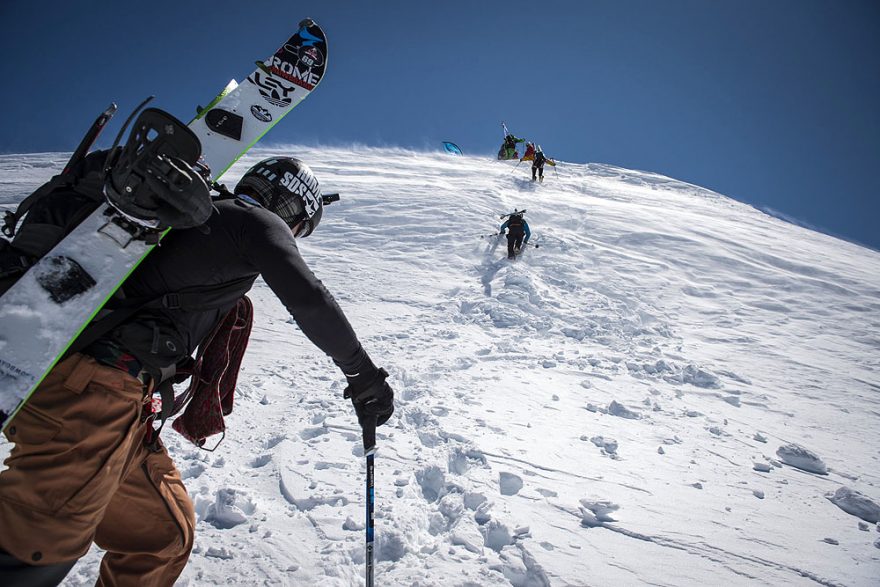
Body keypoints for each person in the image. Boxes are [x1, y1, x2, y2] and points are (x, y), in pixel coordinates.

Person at [0, 155, 395, 586]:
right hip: (95, 393)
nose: (295, 235)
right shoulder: (252, 221)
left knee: (161, 536)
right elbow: (310, 300)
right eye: (301, 227)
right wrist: (363, 376)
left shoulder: (199, 221)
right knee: (38, 541)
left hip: (118, 402)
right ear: (293, 208)